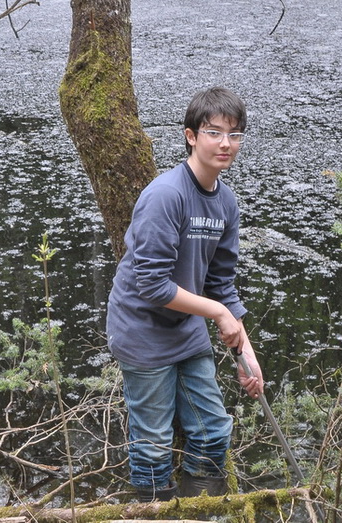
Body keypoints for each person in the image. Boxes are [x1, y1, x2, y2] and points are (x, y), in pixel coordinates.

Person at [106, 86, 264, 502]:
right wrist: (217, 313)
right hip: (141, 330)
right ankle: (155, 510)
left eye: (235, 134)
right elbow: (153, 286)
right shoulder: (166, 195)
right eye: (214, 132)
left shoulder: (226, 203)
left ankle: (198, 510)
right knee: (154, 444)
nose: (225, 144)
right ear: (191, 136)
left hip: (187, 328)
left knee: (213, 433)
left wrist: (247, 356)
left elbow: (221, 285)